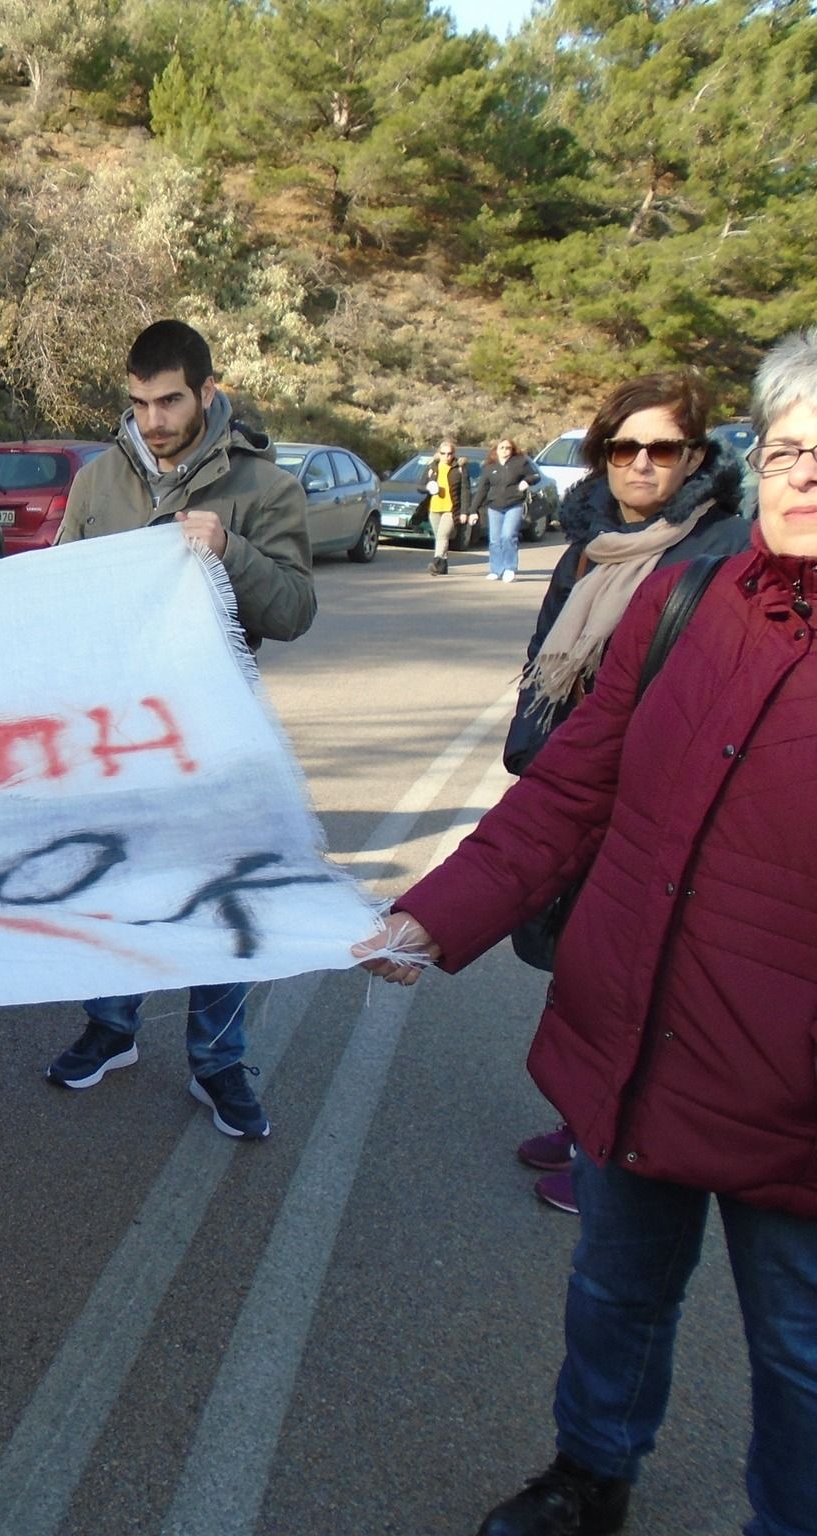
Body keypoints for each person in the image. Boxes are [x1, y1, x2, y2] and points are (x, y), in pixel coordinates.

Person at [354, 332, 817, 1536]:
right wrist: (433, 914)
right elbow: (569, 789)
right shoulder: (682, 600)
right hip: (634, 1034)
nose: (803, 477)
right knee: (615, 1291)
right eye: (786, 449)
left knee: (800, 1357)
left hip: (791, 1090)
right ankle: (587, 1477)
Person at [44, 319, 316, 1138]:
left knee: (219, 898)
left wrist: (230, 548)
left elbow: (294, 612)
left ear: (207, 391)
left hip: (213, 731)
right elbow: (58, 592)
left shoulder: (265, 489)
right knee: (119, 880)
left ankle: (219, 1061)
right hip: (116, 732)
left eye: (169, 401)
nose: (153, 420)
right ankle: (111, 1026)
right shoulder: (99, 481)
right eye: (139, 403)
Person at [499, 373, 749, 1218]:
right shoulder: (589, 543)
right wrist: (533, 749)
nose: (641, 464)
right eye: (623, 447)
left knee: (632, 976)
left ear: (696, 459)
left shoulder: (720, 550)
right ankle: (583, 1119)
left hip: (655, 795)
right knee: (579, 964)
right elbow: (546, 646)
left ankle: (606, 1152)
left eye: (662, 449)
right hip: (576, 775)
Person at [474, 436, 538, 583]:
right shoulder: (489, 466)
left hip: (514, 504)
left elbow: (535, 476)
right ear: (496, 450)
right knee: (495, 540)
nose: (504, 451)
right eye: (501, 448)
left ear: (512, 449)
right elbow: (482, 490)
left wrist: (526, 481)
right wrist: (472, 510)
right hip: (494, 506)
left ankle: (510, 568)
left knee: (508, 536)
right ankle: (496, 570)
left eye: (508, 448)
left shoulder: (520, 462)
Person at [425, 435, 470, 575]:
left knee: (442, 535)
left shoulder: (459, 468)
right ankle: (443, 566)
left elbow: (465, 491)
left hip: (451, 509)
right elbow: (420, 486)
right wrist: (430, 486)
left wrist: (464, 512)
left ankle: (436, 562)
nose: (446, 456)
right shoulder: (432, 467)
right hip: (434, 508)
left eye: (449, 453)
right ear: (439, 453)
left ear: (454, 454)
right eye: (443, 453)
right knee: (439, 537)